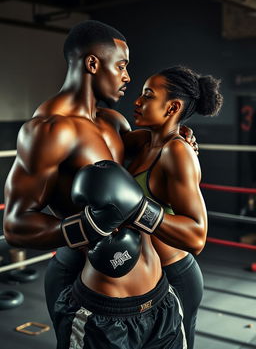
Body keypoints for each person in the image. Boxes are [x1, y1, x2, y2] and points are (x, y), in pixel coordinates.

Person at [3, 20, 198, 349]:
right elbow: (15, 225)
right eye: (121, 66)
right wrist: (87, 227)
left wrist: (181, 137)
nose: (127, 77)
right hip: (97, 293)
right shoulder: (49, 130)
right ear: (93, 63)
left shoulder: (113, 121)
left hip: (156, 293)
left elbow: (159, 144)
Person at [125, 66, 223, 348]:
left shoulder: (176, 151)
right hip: (144, 274)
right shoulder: (144, 141)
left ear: (172, 107)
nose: (137, 101)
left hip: (174, 276)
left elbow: (197, 236)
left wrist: (137, 208)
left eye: (148, 95)